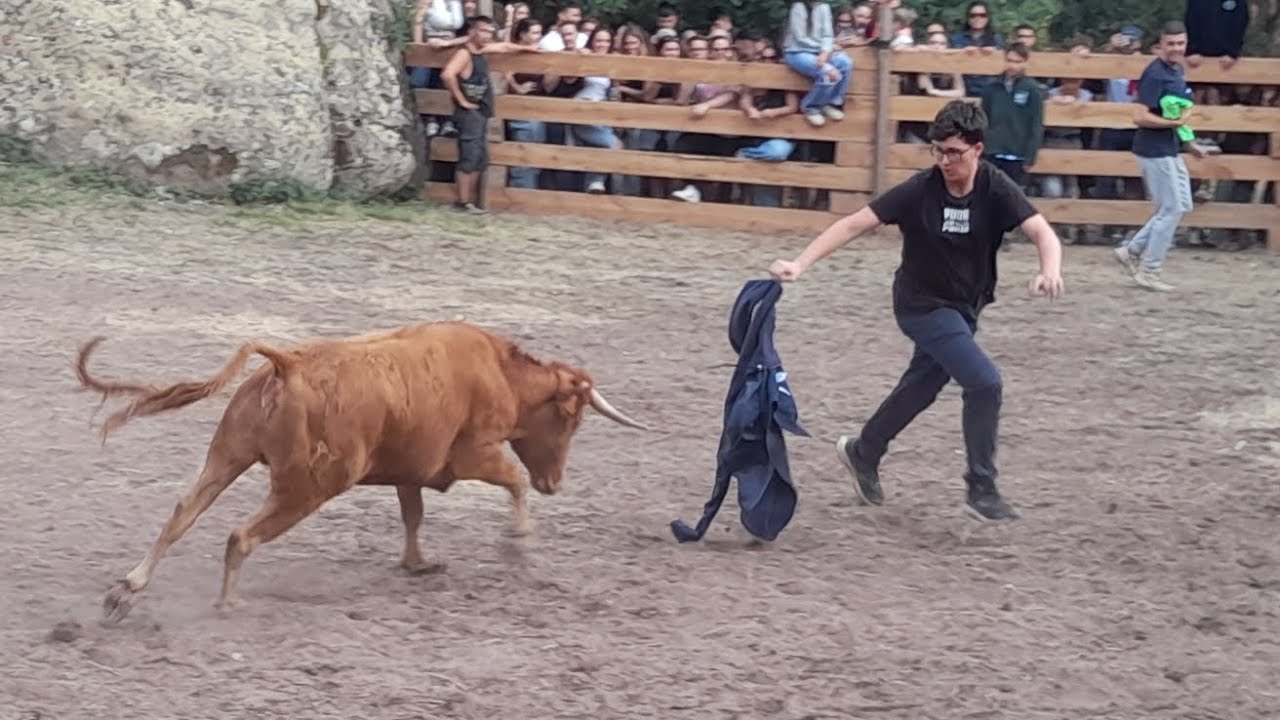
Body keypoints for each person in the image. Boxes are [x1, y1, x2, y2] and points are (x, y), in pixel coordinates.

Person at [767, 100, 1065, 521]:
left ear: (977, 149)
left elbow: (1042, 232)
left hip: (964, 307)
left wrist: (1049, 270)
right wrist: (800, 263)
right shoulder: (920, 189)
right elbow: (854, 223)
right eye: (938, 151)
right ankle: (981, 486)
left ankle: (863, 451)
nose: (945, 161)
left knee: (924, 385)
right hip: (921, 305)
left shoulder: (995, 187)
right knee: (985, 383)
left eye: (954, 153)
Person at [1114, 21, 1205, 292]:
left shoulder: (1176, 70)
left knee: (1181, 205)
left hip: (1170, 148)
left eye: (1181, 43)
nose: (1176, 48)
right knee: (1171, 209)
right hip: (1154, 149)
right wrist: (1172, 127)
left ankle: (1132, 249)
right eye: (1171, 44)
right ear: (1160, 45)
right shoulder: (1155, 74)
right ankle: (1149, 269)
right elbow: (1139, 115)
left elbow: (1176, 113)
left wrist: (1189, 143)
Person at [439, 14, 540, 214]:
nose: (487, 35)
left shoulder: (480, 51)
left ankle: (470, 202)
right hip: (469, 113)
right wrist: (461, 101)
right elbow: (447, 74)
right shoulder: (464, 54)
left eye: (489, 32)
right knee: (469, 156)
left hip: (480, 111)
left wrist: (527, 48)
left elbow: (504, 47)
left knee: (479, 157)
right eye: (483, 31)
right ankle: (462, 202)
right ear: (472, 32)